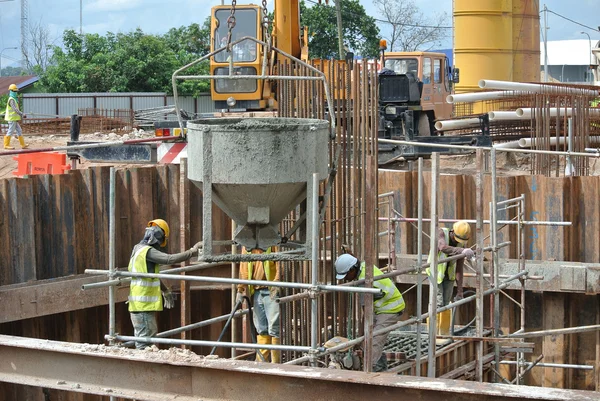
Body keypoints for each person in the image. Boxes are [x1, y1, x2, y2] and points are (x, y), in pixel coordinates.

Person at [128, 218, 201, 350]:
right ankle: (144, 368)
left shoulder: (138, 249)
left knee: (145, 340)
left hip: (139, 305)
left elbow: (150, 277)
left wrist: (165, 290)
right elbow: (169, 259)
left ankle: (145, 367)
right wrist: (192, 251)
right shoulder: (147, 251)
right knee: (145, 343)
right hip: (142, 305)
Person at [334, 253, 406, 372]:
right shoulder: (363, 267)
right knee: (369, 340)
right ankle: (380, 366)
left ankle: (372, 371)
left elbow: (366, 315)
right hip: (382, 307)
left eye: (346, 275)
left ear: (352, 269)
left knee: (374, 341)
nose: (345, 279)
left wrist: (361, 337)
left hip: (391, 309)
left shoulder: (364, 281)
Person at [237, 246, 281, 363]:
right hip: (256, 291)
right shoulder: (247, 245)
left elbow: (280, 264)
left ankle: (275, 364)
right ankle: (262, 362)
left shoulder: (272, 242)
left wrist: (276, 283)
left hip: (270, 289)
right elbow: (244, 268)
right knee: (261, 328)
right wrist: (240, 289)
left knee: (274, 328)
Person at [427, 220, 474, 308]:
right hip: (436, 273)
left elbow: (459, 267)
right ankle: (434, 322)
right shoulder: (441, 233)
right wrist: (461, 251)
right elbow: (442, 247)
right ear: (452, 232)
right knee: (437, 304)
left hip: (449, 276)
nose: (457, 242)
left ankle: (443, 322)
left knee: (446, 304)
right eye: (456, 239)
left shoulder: (461, 244)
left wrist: (460, 290)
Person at [3, 84, 28, 150]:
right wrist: (22, 114)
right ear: (11, 91)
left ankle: (23, 145)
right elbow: (15, 109)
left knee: (19, 130)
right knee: (10, 131)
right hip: (11, 119)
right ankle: (6, 145)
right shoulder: (11, 100)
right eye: (14, 91)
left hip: (14, 119)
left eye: (16, 91)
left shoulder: (14, 99)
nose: (15, 92)